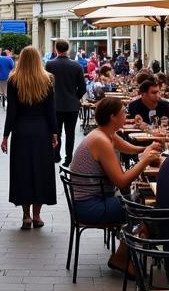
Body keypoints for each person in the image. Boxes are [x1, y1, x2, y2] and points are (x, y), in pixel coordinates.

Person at [69, 96, 161, 229]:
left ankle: (128, 244)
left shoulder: (104, 133)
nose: (126, 115)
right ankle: (131, 244)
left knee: (140, 200)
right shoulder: (101, 140)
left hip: (91, 201)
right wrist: (145, 160)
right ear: (113, 117)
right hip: (90, 207)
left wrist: (146, 149)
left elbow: (128, 149)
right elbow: (122, 182)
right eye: (123, 112)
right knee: (145, 206)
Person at [1, 46, 58, 229]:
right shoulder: (47, 80)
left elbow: (12, 111)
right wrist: (55, 133)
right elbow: (51, 110)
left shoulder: (14, 80)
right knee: (41, 171)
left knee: (22, 171)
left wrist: (5, 135)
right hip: (42, 131)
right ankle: (37, 215)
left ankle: (25, 215)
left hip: (21, 130)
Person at [46, 39, 87, 165]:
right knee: (70, 133)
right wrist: (75, 97)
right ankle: (69, 158)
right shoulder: (77, 66)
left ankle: (56, 155)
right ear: (68, 49)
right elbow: (83, 88)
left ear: (56, 49)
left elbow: (46, 86)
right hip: (72, 105)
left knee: (55, 132)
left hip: (55, 105)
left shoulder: (49, 65)